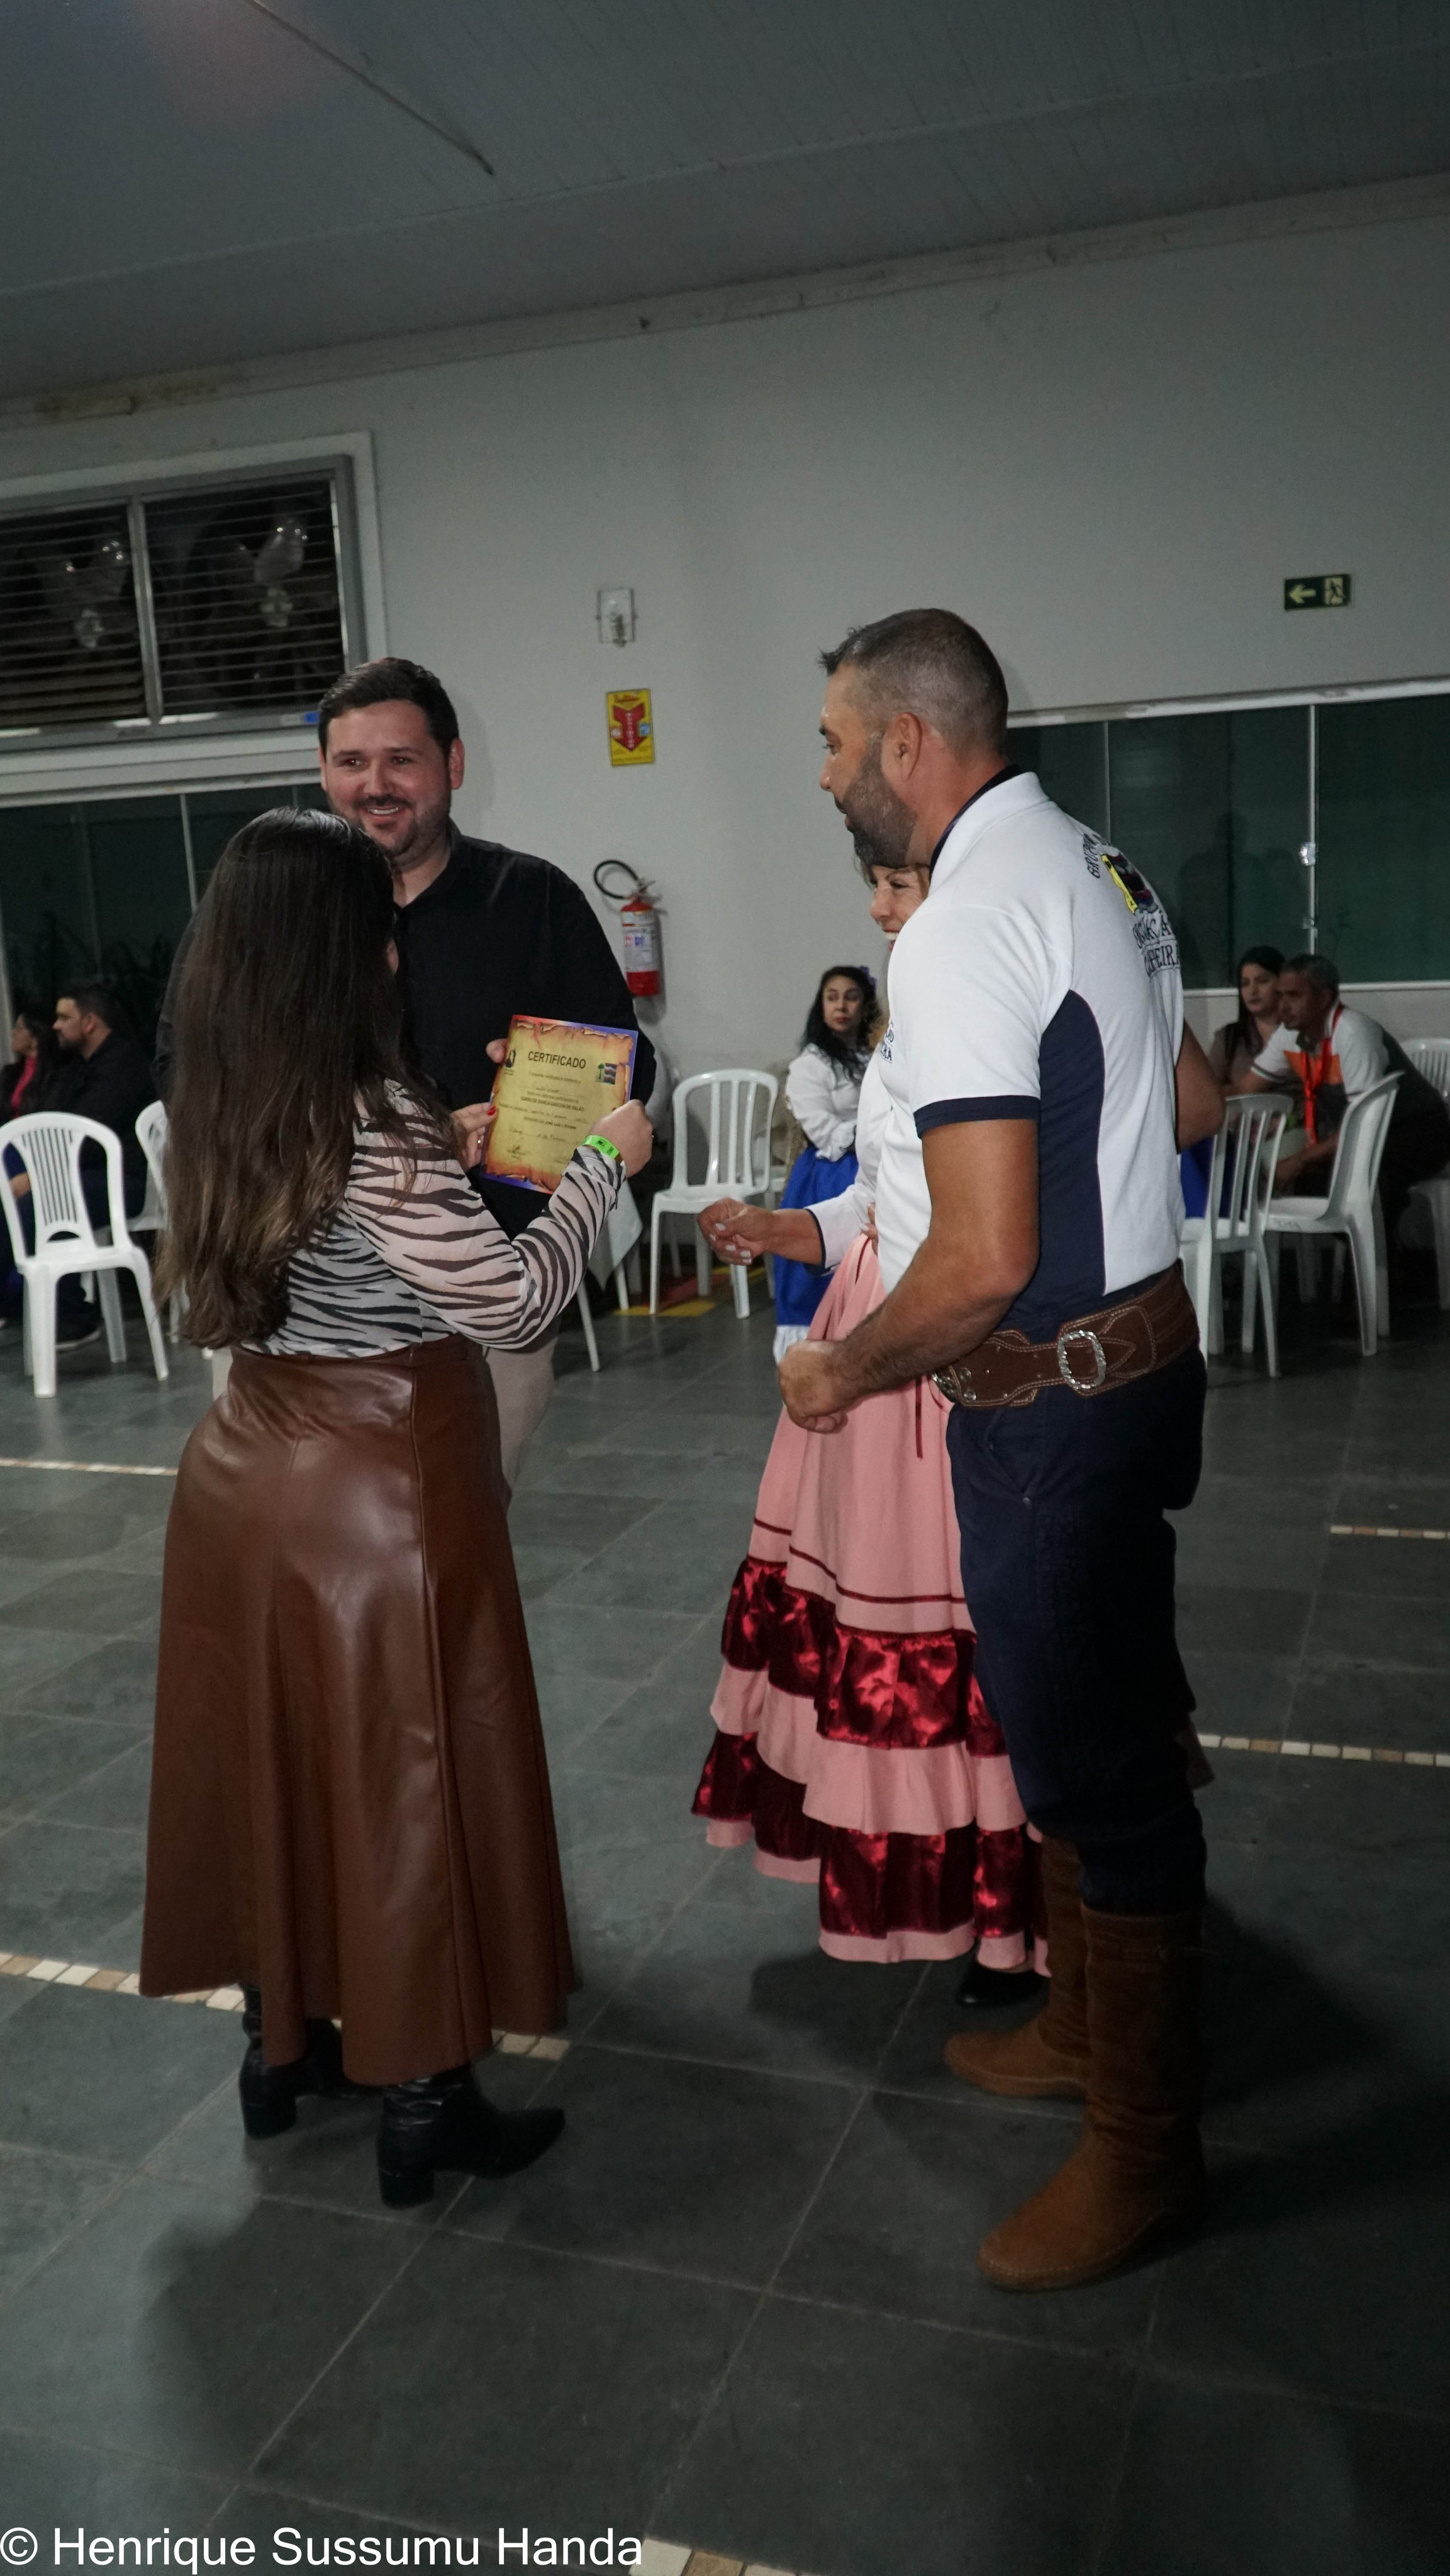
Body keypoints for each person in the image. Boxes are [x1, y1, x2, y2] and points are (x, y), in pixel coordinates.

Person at [788, 607, 1224, 2294]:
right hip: (1133, 1369)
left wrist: (842, 1372)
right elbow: (1186, 1103)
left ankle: (1146, 2149)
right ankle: (1079, 2030)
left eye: (833, 745)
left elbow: (971, 1265)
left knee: (1098, 1766)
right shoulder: (1092, 865)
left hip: (1050, 1402)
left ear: (907, 743)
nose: (827, 780)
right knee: (1088, 1718)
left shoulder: (961, 922)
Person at [139, 808, 652, 2207]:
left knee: (281, 1769)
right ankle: (426, 2097)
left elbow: (329, 1220)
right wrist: (605, 1155)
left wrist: (458, 1135)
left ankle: (279, 2043)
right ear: (336, 951)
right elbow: (518, 1297)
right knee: (407, 1784)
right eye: (374, 921)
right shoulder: (371, 1120)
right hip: (379, 1491)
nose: (391, 943)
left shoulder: (215, 1097)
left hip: (246, 1473)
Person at [157, 655, 654, 1489]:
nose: (374, 785)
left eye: (401, 760)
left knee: (439, 1550)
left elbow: (615, 1065)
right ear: (322, 772)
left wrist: (523, 1099)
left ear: (452, 765)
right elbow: (190, 1074)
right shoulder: (259, 917)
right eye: (351, 762)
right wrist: (387, 1156)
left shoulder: (531, 902)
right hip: (292, 1318)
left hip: (478, 1298)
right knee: (381, 1562)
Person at [694, 864, 1042, 1991]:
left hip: (933, 1341)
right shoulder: (902, 1026)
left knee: (949, 1625)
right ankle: (903, 1885)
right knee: (860, 1622)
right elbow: (876, 1201)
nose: (885, 911)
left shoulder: (993, 1015)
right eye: (878, 888)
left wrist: (866, 1353)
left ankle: (995, 1910)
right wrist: (780, 1224)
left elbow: (978, 1229)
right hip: (864, 1324)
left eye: (903, 886)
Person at [1235, 952, 1450, 1244]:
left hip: (1417, 1135)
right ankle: (1333, 1272)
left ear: (1324, 998)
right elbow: (1247, 1087)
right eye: (1281, 996)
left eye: (1294, 996)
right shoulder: (1289, 1035)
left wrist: (1300, 1159)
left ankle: (1381, 1277)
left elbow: (1363, 1128)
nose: (1282, 1007)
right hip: (1365, 1138)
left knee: (1364, 1183)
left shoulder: (1353, 1033)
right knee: (1315, 1181)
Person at [6, 982, 156, 1350]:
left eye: (64, 1018)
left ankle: (74, 1316)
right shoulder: (80, 1065)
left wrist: (39, 1177)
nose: (54, 1026)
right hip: (88, 1176)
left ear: (90, 1023)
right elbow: (50, 1117)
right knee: (15, 1205)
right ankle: (23, 1306)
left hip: (129, 1183)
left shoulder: (122, 1063)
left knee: (33, 1207)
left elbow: (85, 1136)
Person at [772, 964, 876, 1362]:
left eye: (851, 997)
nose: (842, 1006)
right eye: (832, 997)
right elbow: (826, 1132)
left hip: (872, 1163)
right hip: (831, 1173)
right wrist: (874, 1128)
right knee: (823, 1271)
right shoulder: (811, 1066)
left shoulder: (875, 1055)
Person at [1208, 946, 1284, 1089]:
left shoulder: (1301, 1033)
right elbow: (1207, 1091)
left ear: (1282, 983)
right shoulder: (1229, 1037)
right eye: (1245, 984)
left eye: (1262, 981)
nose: (1252, 991)